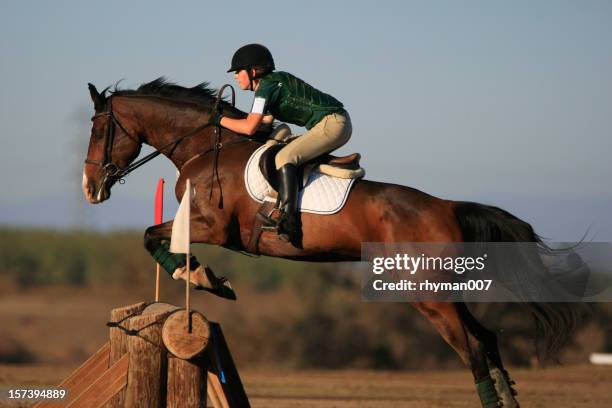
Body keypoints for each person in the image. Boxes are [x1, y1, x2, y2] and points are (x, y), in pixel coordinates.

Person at [211, 43, 352, 244]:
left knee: (285, 157)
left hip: (334, 123)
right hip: (335, 122)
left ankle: (289, 221)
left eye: (238, 71)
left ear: (252, 71)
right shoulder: (271, 84)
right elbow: (264, 122)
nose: (235, 76)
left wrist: (218, 120)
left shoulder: (265, 88)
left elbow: (250, 127)